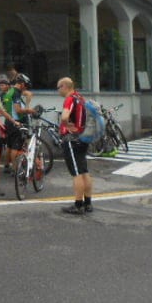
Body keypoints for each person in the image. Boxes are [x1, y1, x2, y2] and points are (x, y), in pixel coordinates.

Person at [58, 77, 93, 214]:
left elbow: (64, 117)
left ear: (64, 86)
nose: (58, 91)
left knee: (76, 173)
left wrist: (66, 125)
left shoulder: (70, 99)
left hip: (71, 139)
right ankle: (88, 203)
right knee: (84, 171)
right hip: (83, 137)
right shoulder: (80, 98)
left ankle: (78, 205)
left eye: (58, 87)